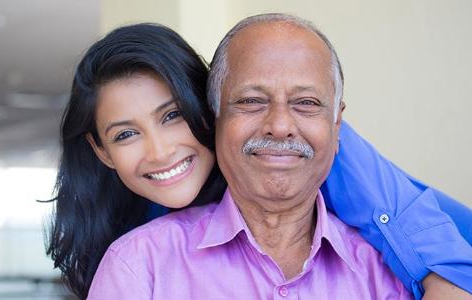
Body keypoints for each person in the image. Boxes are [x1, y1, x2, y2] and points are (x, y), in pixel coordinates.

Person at [46, 22, 472, 299]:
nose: (159, 151)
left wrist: (446, 283)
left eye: (172, 115)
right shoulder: (136, 252)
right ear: (100, 150)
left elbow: (445, 257)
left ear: (205, 110)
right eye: (126, 134)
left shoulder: (323, 155)